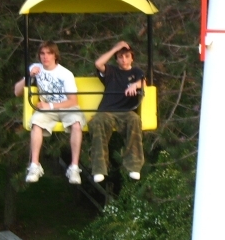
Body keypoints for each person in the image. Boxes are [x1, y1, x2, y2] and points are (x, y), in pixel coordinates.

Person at [14, 41, 86, 185]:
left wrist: (51, 104)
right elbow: (17, 92)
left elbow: (73, 101)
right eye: (42, 53)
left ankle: (74, 167)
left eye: (49, 53)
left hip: (65, 107)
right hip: (47, 110)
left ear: (55, 55)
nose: (45, 57)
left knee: (76, 125)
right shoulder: (35, 69)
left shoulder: (65, 74)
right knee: (36, 123)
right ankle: (34, 166)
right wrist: (29, 76)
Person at [89, 40, 146, 183]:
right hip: (107, 111)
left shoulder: (136, 72)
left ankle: (133, 166)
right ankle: (99, 169)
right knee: (97, 122)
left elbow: (144, 81)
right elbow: (98, 64)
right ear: (116, 58)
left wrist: (135, 84)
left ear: (132, 57)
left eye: (127, 56)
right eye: (120, 56)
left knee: (135, 120)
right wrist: (115, 48)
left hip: (126, 111)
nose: (124, 59)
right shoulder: (111, 72)